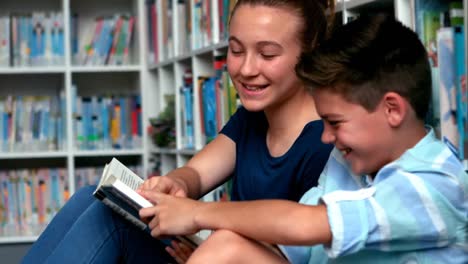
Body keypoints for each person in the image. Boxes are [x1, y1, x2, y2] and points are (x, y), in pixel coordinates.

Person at [21, 0, 335, 263]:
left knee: (107, 224)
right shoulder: (251, 119)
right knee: (91, 200)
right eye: (237, 51)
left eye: (267, 54)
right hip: (207, 252)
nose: (246, 69)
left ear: (310, 54)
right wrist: (174, 184)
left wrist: (208, 243)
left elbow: (301, 250)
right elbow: (196, 174)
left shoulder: (325, 141)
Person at [138, 14, 468, 263]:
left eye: (334, 122)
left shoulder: (434, 183)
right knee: (227, 245)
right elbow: (291, 248)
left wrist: (197, 213)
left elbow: (305, 224)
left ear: (392, 110)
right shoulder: (347, 162)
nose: (326, 136)